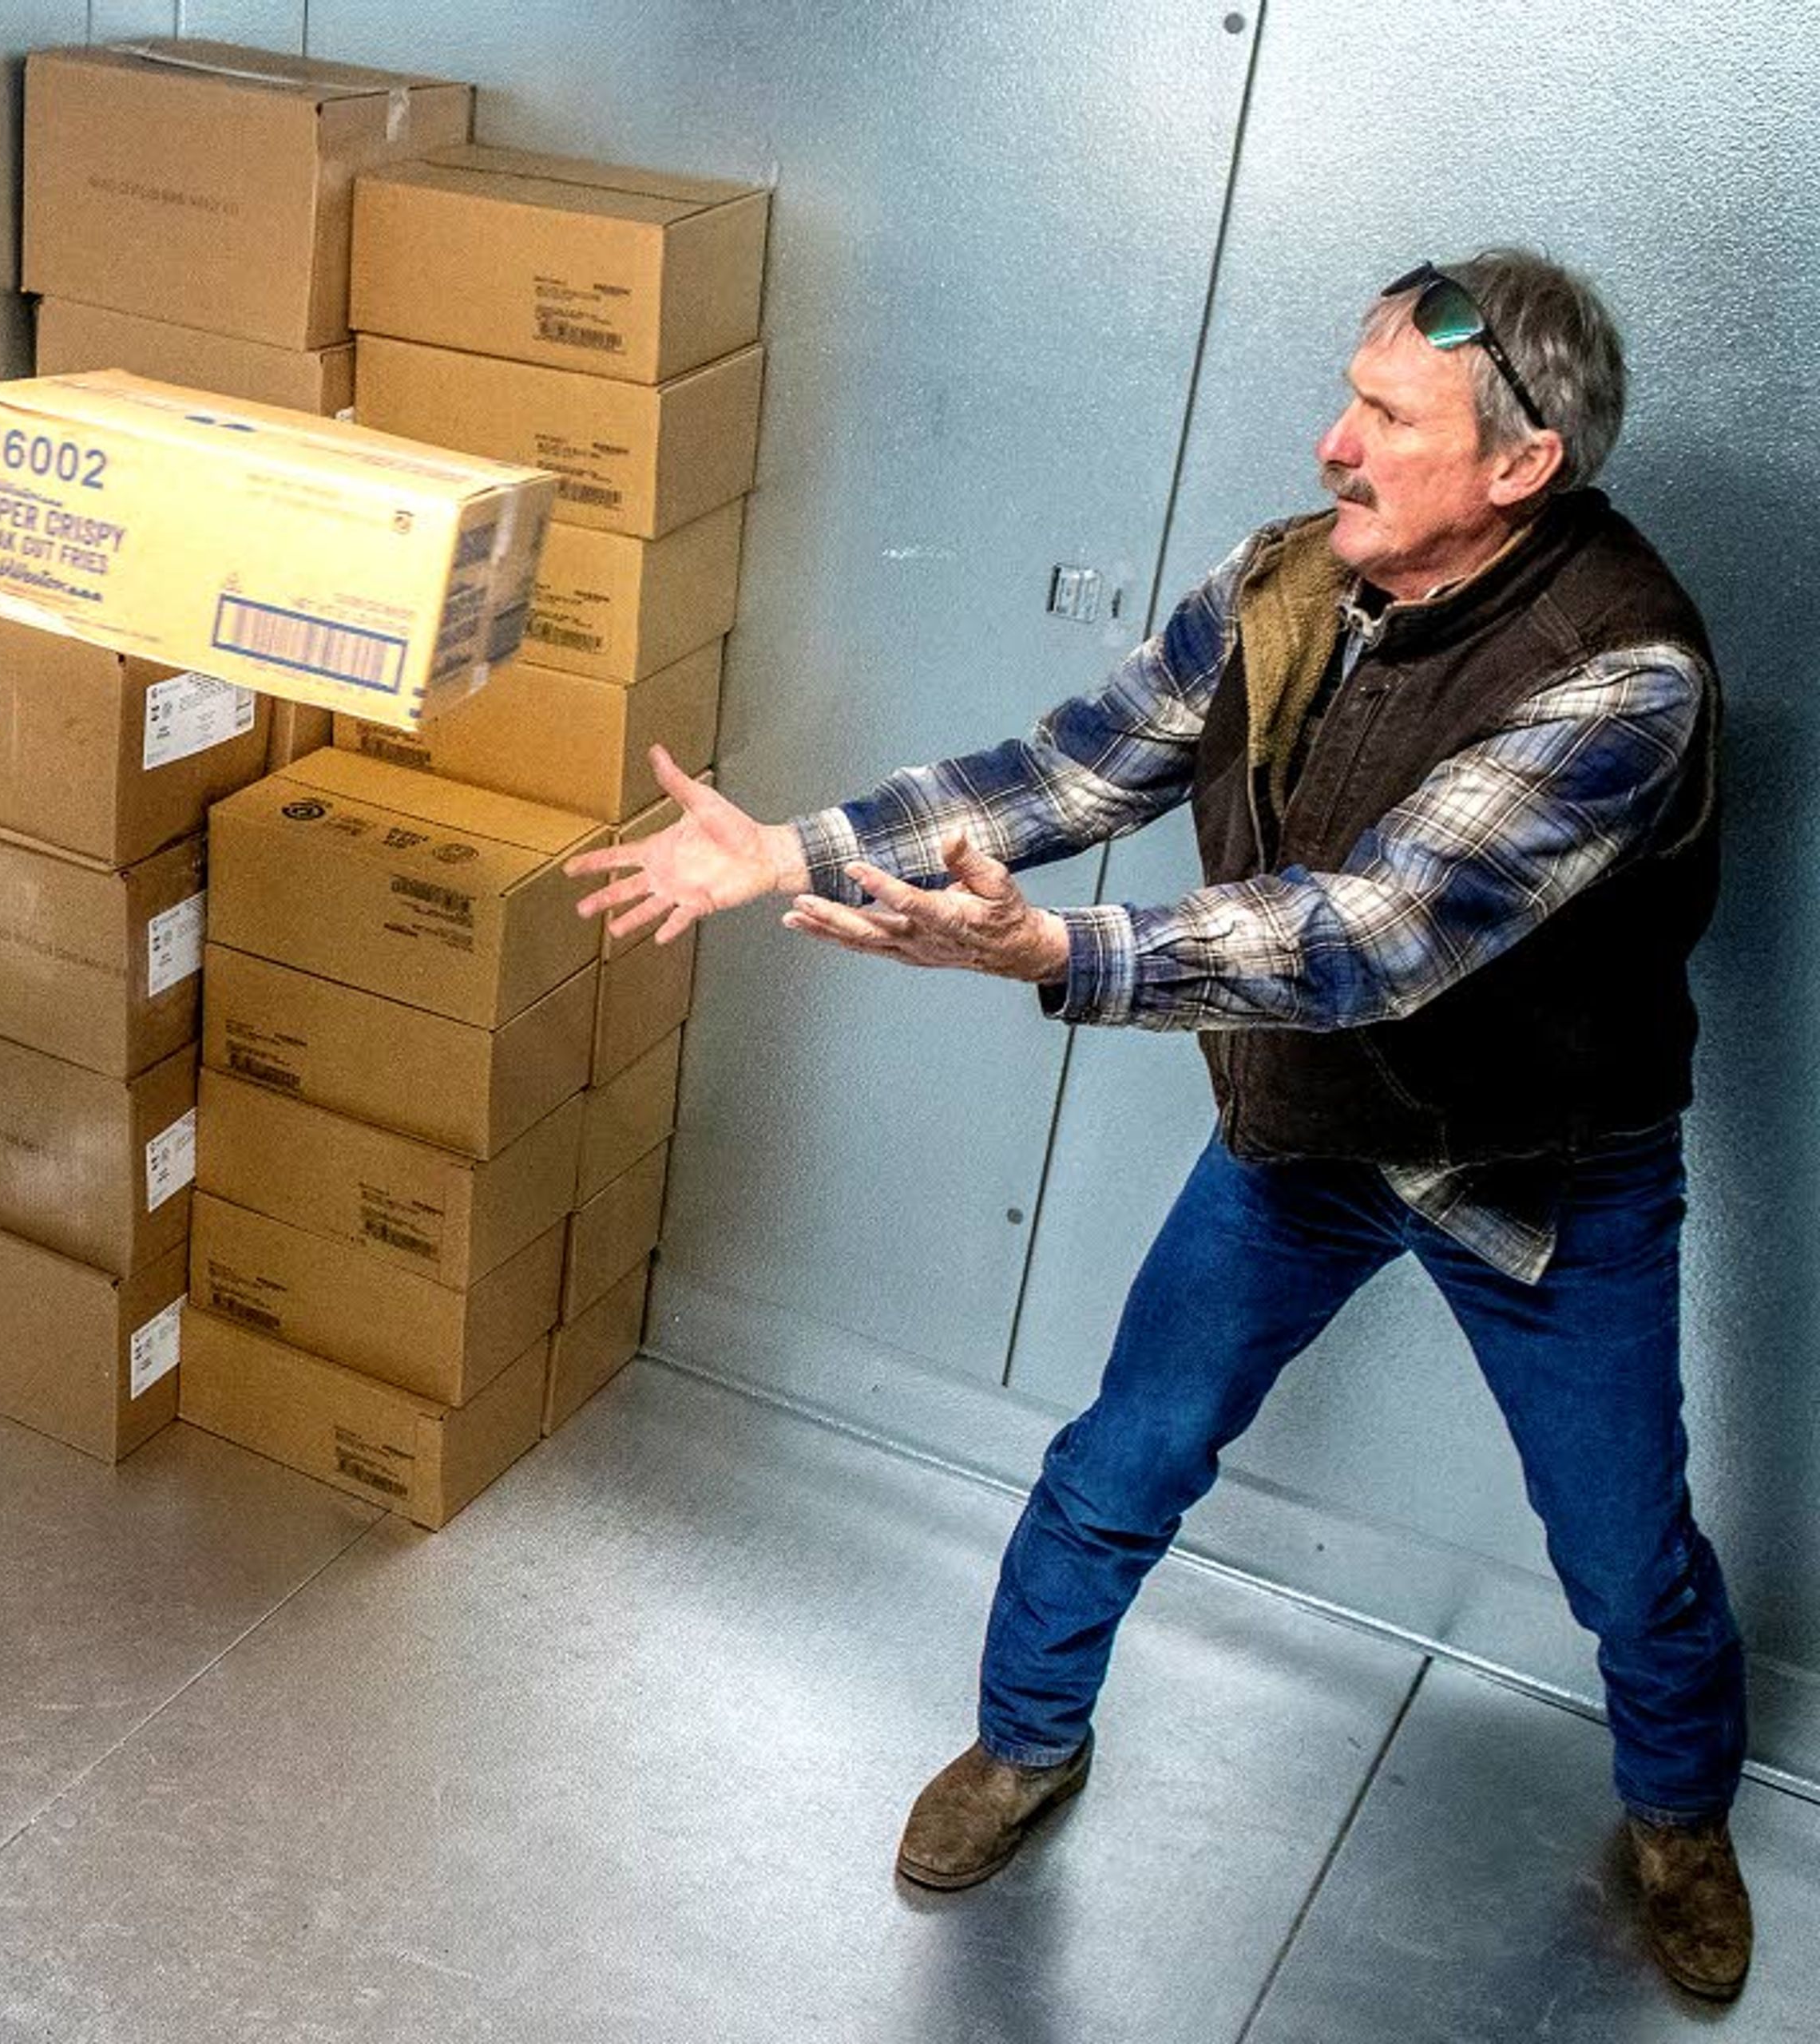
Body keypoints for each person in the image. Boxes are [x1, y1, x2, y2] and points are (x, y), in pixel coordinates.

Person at [569, 250, 1752, 2002]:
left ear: (1525, 465)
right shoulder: (1290, 582)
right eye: (1347, 394)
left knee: (1621, 1548)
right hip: (1312, 1130)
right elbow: (1069, 766)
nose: (1331, 442)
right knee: (1124, 1455)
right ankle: (1026, 1743)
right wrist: (792, 851)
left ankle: (1676, 1816)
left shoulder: (1621, 678)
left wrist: (1061, 952)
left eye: (1387, 416)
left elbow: (1375, 934)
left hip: (1537, 1178)